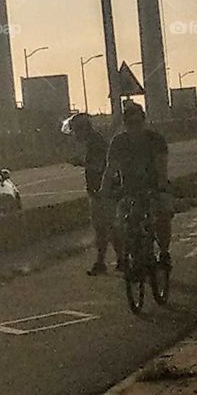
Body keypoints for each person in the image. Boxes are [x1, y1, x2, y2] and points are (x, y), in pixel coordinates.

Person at [100, 100, 173, 265]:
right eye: (130, 123)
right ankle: (127, 256)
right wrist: (103, 190)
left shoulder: (156, 140)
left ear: (143, 121)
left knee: (163, 215)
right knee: (120, 222)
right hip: (128, 189)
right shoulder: (118, 142)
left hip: (153, 186)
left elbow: (161, 167)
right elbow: (111, 169)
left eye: (137, 122)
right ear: (125, 124)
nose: (134, 127)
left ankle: (164, 252)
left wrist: (161, 185)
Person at [65, 112, 119, 276]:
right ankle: (109, 260)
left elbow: (100, 167)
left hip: (104, 191)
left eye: (76, 131)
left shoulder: (96, 143)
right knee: (104, 228)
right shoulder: (94, 141)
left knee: (106, 227)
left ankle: (113, 260)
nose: (74, 135)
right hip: (100, 191)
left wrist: (81, 162)